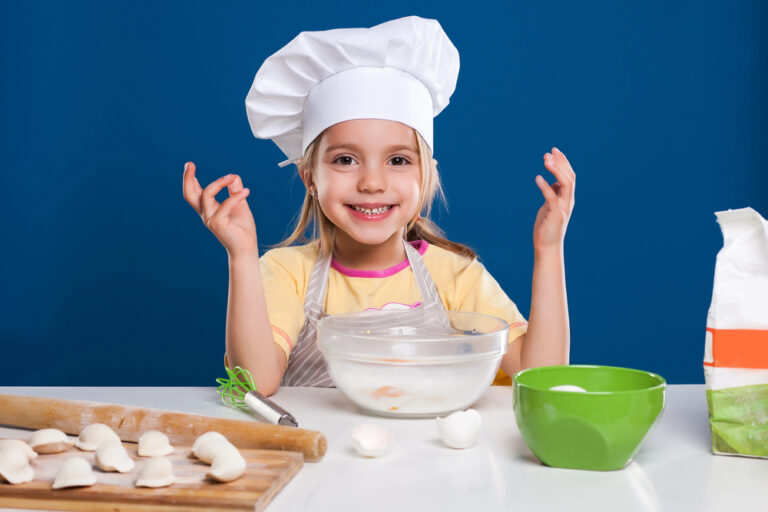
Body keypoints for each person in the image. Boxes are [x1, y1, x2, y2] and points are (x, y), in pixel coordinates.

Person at [183, 16, 575, 396]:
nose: (372, 182)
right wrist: (241, 256)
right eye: (345, 160)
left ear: (426, 178)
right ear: (310, 178)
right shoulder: (287, 273)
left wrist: (549, 248)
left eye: (399, 160)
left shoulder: (456, 277)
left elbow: (540, 376)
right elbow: (255, 385)